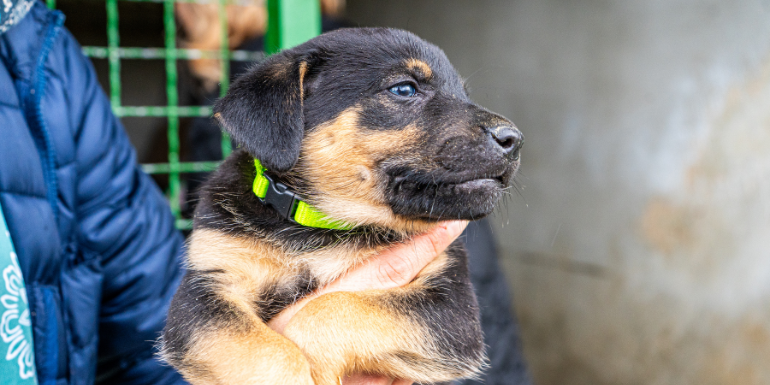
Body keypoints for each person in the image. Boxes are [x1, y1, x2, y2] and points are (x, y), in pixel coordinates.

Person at [0, 3, 486, 385]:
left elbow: (459, 343)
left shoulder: (40, 60)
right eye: (404, 91)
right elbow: (195, 325)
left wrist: (324, 327)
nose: (494, 127)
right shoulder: (235, 212)